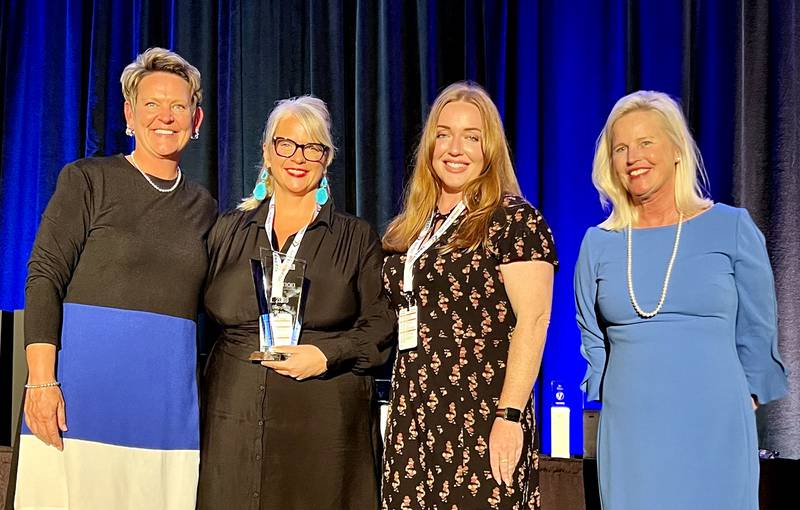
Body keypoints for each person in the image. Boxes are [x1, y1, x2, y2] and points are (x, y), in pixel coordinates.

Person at [14, 47, 216, 509]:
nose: (165, 116)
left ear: (196, 118)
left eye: (178, 106)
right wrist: (41, 383)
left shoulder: (204, 207)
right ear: (129, 113)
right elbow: (44, 276)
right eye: (151, 103)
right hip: (79, 405)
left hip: (165, 414)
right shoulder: (88, 180)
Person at [575, 90, 789, 510]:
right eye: (621, 148)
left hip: (715, 423)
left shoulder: (730, 227)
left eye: (646, 142)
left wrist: (740, 398)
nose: (633, 157)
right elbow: (590, 330)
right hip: (631, 426)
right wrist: (611, 394)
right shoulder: (598, 243)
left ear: (676, 149)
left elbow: (759, 325)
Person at [198, 95, 395, 510]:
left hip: (323, 421)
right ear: (267, 152)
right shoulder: (228, 231)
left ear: (327, 159)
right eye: (286, 144)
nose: (298, 157)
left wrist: (326, 355)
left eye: (313, 147)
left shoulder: (355, 237)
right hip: (234, 416)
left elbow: (381, 326)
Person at [380, 81, 557, 510]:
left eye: (471, 137)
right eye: (444, 134)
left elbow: (534, 320)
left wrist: (510, 416)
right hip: (414, 415)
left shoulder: (513, 220)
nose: (455, 148)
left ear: (489, 149)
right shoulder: (409, 229)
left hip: (483, 414)